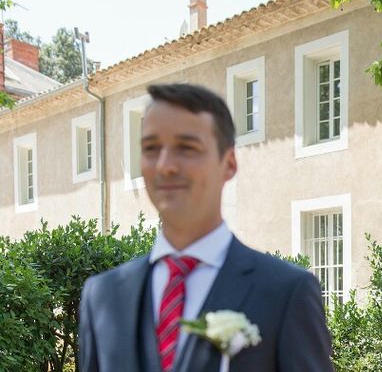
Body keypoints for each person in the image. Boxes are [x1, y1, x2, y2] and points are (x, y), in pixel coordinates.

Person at [79, 83, 334, 372]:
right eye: (151, 148)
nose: (165, 166)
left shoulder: (285, 292)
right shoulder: (101, 296)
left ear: (229, 163)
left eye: (186, 148)